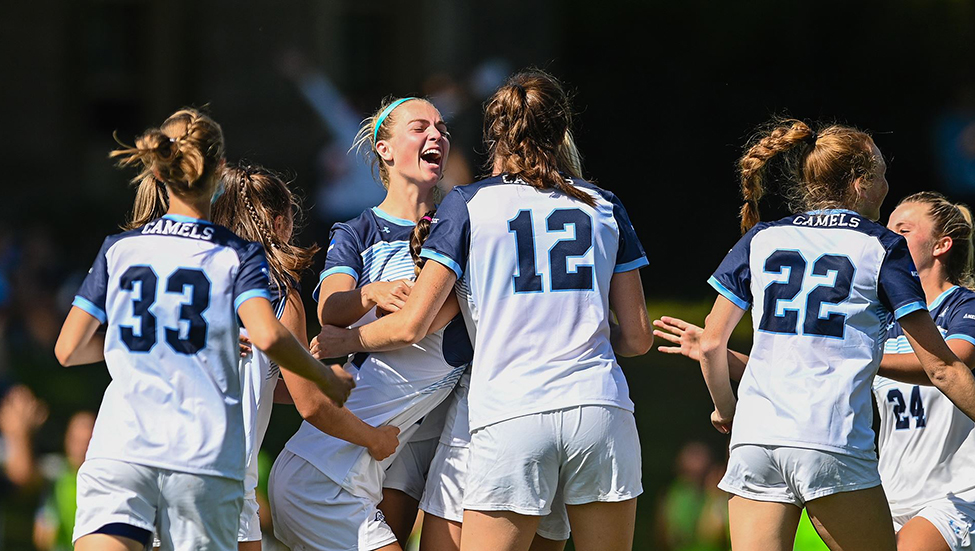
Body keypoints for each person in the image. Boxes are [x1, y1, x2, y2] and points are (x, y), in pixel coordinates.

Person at [313, 69, 653, 551]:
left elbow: (414, 323)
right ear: (562, 132)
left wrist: (349, 340)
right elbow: (638, 338)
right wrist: (585, 336)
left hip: (512, 413)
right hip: (601, 408)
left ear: (495, 134)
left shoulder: (469, 204)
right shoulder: (605, 205)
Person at [53, 107, 353, 551]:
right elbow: (267, 336)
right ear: (218, 174)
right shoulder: (238, 255)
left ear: (159, 169)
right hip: (199, 456)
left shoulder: (120, 249)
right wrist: (327, 376)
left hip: (120, 449)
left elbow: (67, 350)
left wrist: (136, 342)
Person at [679, 119, 975, 551]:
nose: (888, 185)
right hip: (829, 440)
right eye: (882, 175)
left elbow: (710, 344)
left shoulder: (763, 237)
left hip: (755, 442)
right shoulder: (881, 247)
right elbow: (943, 368)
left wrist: (726, 410)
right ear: (860, 184)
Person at [269, 97, 471, 551]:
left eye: (442, 127)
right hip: (326, 472)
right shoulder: (358, 230)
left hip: (386, 456)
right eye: (420, 127)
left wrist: (351, 337)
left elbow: (409, 325)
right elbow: (329, 309)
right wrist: (371, 293)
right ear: (383, 148)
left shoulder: (458, 225)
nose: (437, 134)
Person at [211, 163, 321, 551]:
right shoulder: (279, 293)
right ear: (278, 224)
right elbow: (311, 404)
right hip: (224, 480)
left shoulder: (193, 276)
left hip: (156, 461)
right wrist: (373, 436)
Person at [34, 411, 96, 551]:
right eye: (77, 441)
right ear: (67, 440)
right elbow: (41, 535)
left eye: (87, 442)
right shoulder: (56, 479)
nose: (81, 449)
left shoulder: (107, 481)